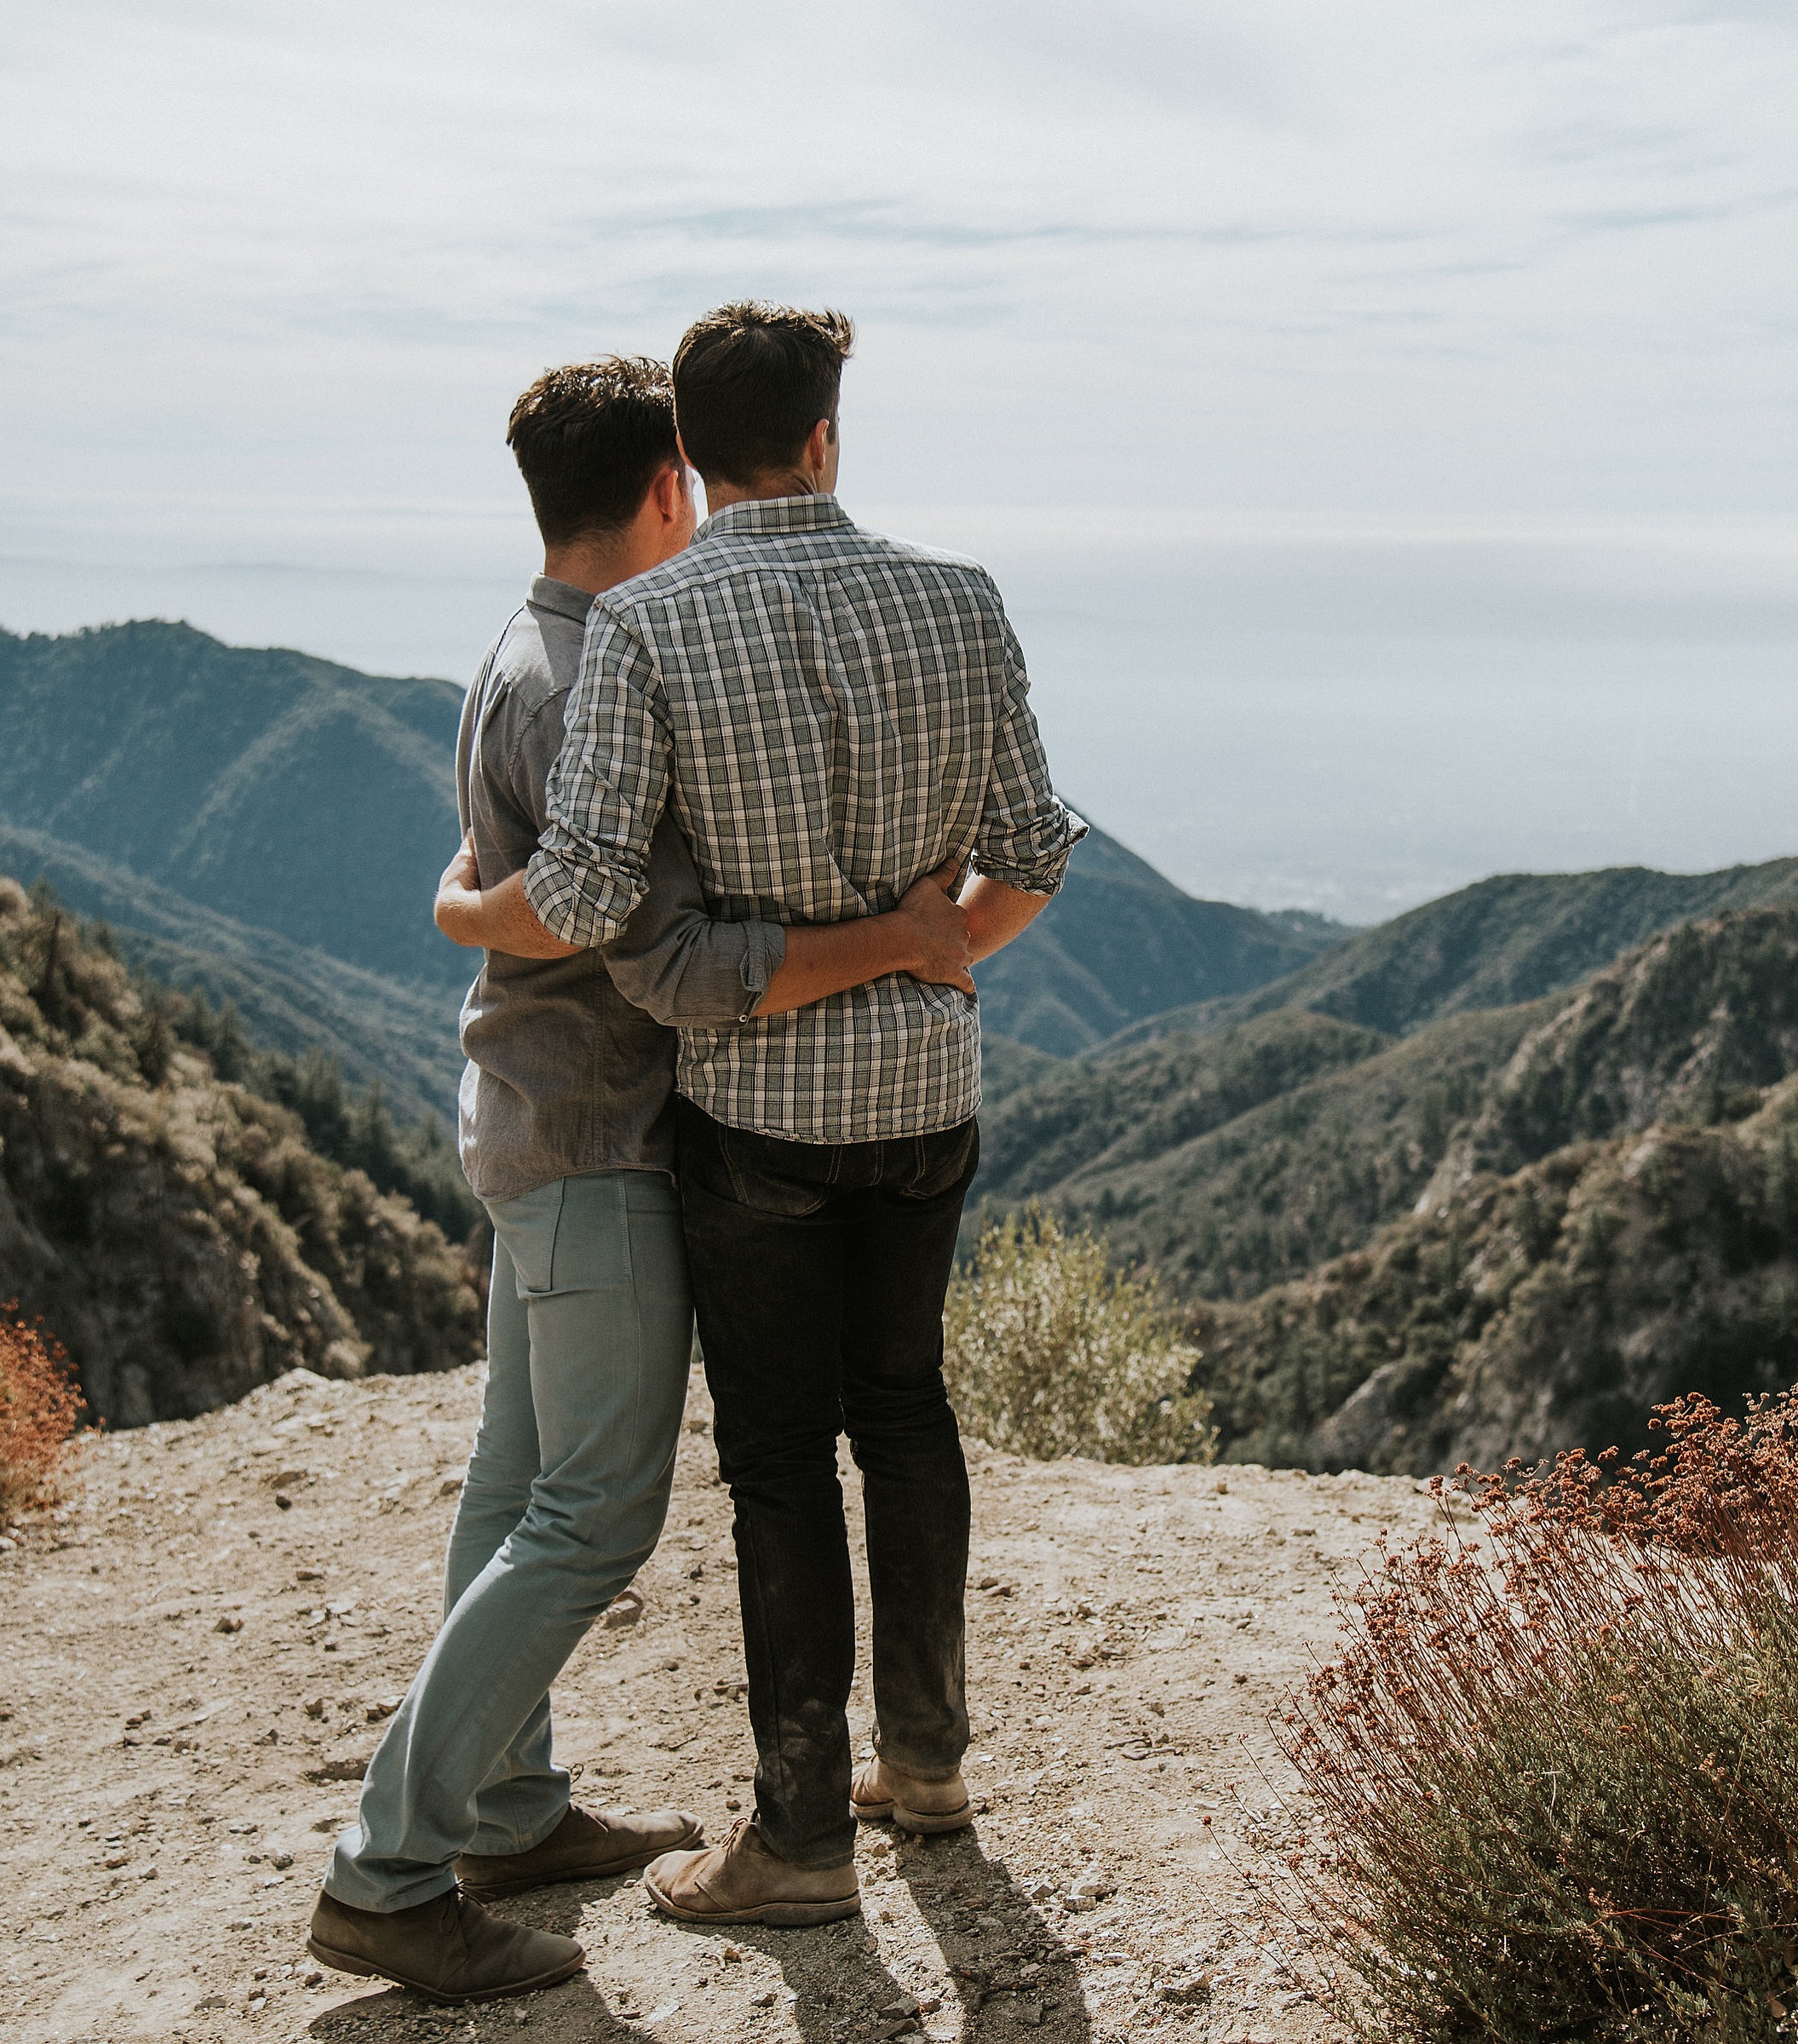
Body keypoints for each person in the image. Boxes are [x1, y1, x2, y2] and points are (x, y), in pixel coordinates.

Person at [306, 357, 975, 2005]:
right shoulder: (606, 671)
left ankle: (509, 1804)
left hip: (524, 1121)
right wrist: (903, 935)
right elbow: (636, 931)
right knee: (593, 1514)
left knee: (512, 1477)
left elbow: (518, 893)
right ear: (671, 488)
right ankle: (389, 1869)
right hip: (604, 1138)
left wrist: (467, 910)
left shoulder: (514, 645)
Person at [524, 303, 1085, 1927]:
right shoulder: (959, 601)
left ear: (687, 457)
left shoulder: (645, 630)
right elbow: (1035, 849)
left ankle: (800, 1843)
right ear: (829, 436)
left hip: (753, 1110)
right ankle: (926, 1768)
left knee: (778, 1462)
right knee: (904, 1412)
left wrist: (463, 906)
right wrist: (928, 951)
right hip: (928, 1089)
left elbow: (583, 894)